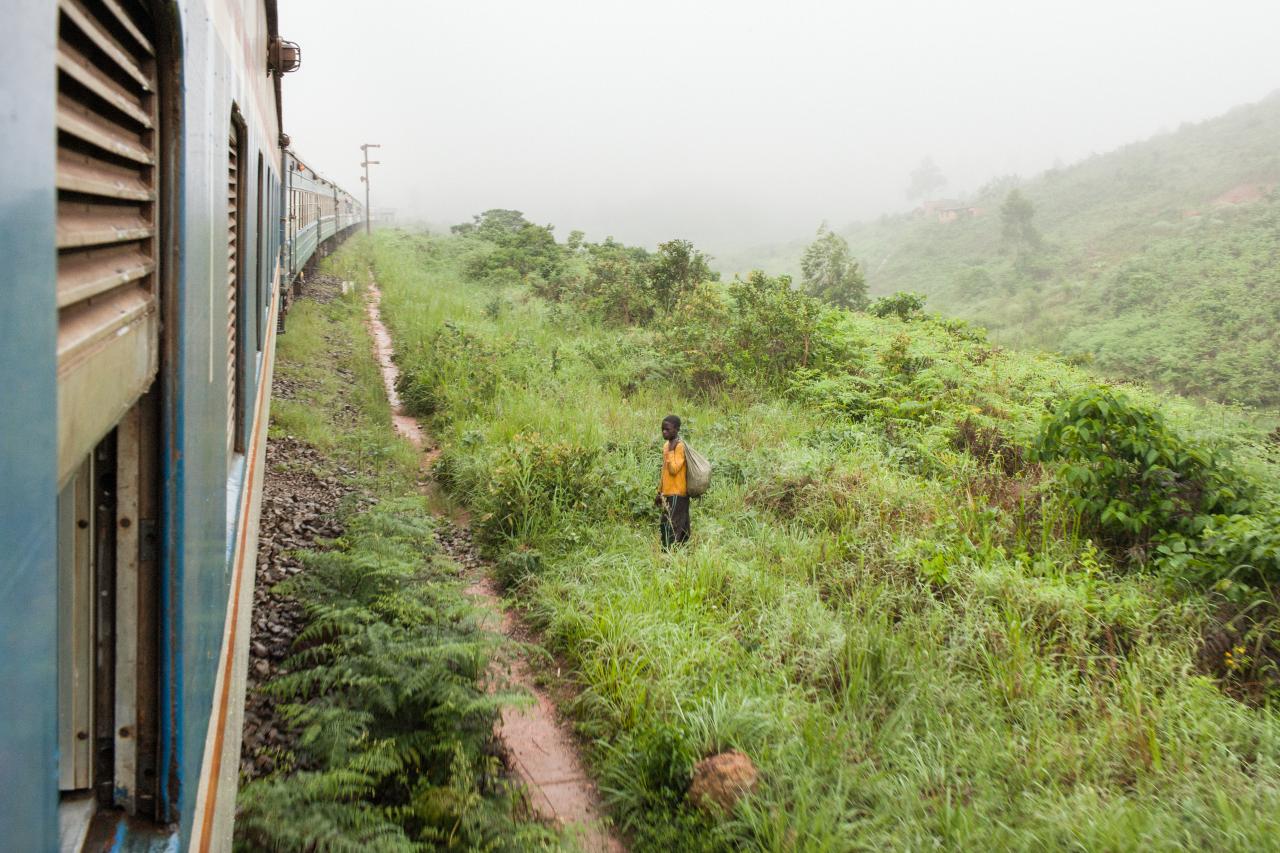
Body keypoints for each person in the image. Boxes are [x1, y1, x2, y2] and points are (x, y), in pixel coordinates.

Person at [657, 415, 690, 548]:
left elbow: (674, 469)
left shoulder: (679, 446)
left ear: (676, 429)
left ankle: (669, 552)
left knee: (672, 524)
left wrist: (671, 451)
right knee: (671, 523)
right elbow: (664, 471)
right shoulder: (666, 445)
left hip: (677, 492)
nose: (664, 432)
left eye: (668, 429)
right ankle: (680, 551)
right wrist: (659, 491)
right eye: (663, 429)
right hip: (667, 492)